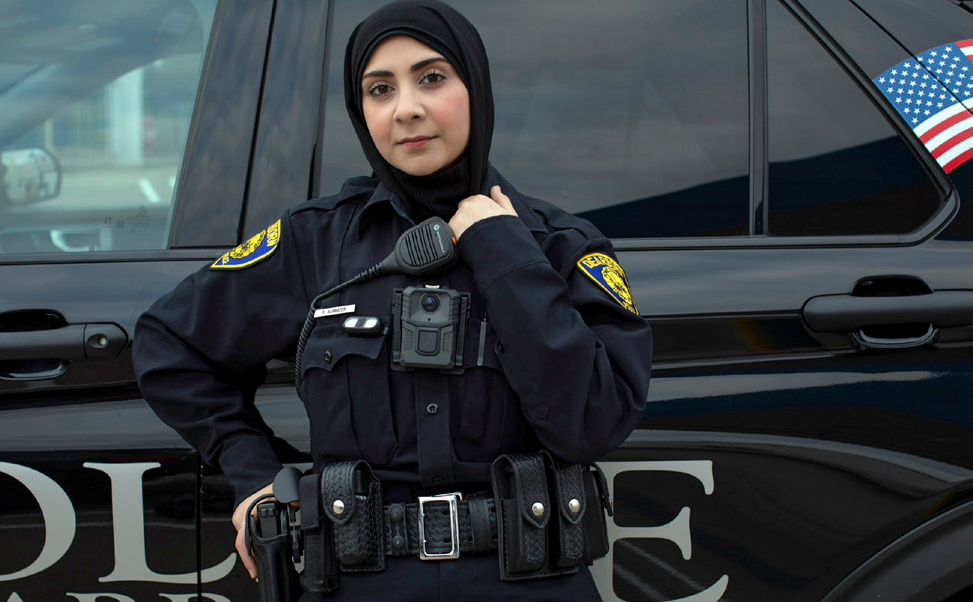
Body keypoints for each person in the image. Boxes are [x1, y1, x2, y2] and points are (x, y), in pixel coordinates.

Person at [133, 1, 652, 599]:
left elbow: (592, 425)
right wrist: (254, 474)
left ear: (475, 88)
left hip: (530, 580)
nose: (407, 108)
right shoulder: (316, 241)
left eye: (432, 78)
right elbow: (168, 344)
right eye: (380, 89)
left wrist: (506, 256)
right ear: (362, 112)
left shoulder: (559, 247)